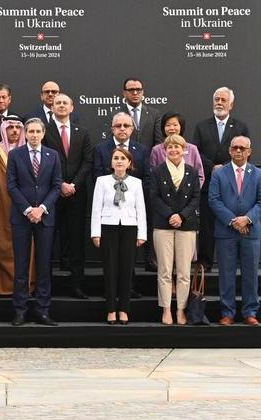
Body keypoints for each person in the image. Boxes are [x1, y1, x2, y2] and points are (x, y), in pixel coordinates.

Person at [6, 118, 62, 326]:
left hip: (45, 217)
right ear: (25, 134)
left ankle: (42, 310)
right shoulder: (15, 155)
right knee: (21, 266)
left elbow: (56, 186)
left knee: (44, 265)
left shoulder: (53, 155)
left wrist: (42, 209)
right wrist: (29, 209)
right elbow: (11, 186)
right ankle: (20, 310)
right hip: (22, 217)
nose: (34, 135)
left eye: (38, 131)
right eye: (30, 131)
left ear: (43, 133)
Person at [190, 87, 249, 267]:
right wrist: (212, 167)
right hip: (207, 182)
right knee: (207, 225)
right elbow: (196, 152)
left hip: (232, 183)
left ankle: (229, 262)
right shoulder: (201, 126)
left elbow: (243, 153)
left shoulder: (240, 127)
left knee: (229, 221)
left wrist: (224, 168)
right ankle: (205, 261)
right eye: (217, 99)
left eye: (223, 100)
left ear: (231, 104)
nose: (219, 103)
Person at [44, 93, 94, 299]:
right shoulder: (44, 131)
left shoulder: (82, 132)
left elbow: (87, 162)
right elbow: (43, 161)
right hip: (50, 194)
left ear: (72, 107)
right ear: (52, 107)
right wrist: (60, 184)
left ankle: (77, 285)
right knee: (47, 241)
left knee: (76, 241)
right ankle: (45, 285)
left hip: (76, 194)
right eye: (58, 103)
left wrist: (73, 185)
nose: (61, 105)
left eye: (65, 103)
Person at [208, 135, 261, 326]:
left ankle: (250, 312)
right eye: (235, 148)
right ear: (230, 150)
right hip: (226, 232)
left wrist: (246, 219)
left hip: (251, 233)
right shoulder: (219, 174)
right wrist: (233, 221)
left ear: (249, 151)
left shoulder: (258, 174)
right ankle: (227, 313)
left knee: (251, 274)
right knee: (226, 274)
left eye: (242, 148)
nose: (238, 151)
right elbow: (213, 200)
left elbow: (260, 202)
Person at [90, 147, 148, 324]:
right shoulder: (102, 181)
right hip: (108, 226)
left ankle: (124, 309)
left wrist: (142, 233)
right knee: (110, 269)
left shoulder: (136, 183)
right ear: (111, 162)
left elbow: (141, 209)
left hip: (129, 227)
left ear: (129, 163)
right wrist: (95, 233)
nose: (119, 161)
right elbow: (96, 208)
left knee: (125, 269)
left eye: (123, 158)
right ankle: (110, 310)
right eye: (116, 158)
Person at [147, 134, 200, 325]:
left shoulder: (192, 172)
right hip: (163, 225)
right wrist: (170, 215)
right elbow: (153, 197)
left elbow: (195, 198)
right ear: (165, 150)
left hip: (187, 226)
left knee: (184, 272)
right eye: (170, 147)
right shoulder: (157, 171)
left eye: (177, 147)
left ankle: (181, 310)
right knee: (165, 270)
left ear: (184, 149)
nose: (174, 150)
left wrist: (182, 216)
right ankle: (167, 309)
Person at [0, 116, 26, 296]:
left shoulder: (27, 151)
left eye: (18, 127)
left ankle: (24, 285)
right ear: (4, 129)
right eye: (11, 127)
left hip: (25, 206)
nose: (14, 131)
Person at [148, 113, 206, 188]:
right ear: (163, 128)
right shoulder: (156, 150)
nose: (172, 128)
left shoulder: (192, 149)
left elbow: (200, 176)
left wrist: (192, 192)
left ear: (181, 127)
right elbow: (152, 175)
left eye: (175, 125)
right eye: (168, 125)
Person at [118, 77, 163, 148]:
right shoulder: (115, 115)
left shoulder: (154, 114)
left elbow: (159, 142)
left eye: (138, 90)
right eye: (131, 90)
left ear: (142, 92)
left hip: (149, 158)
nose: (135, 93)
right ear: (124, 93)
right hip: (125, 157)